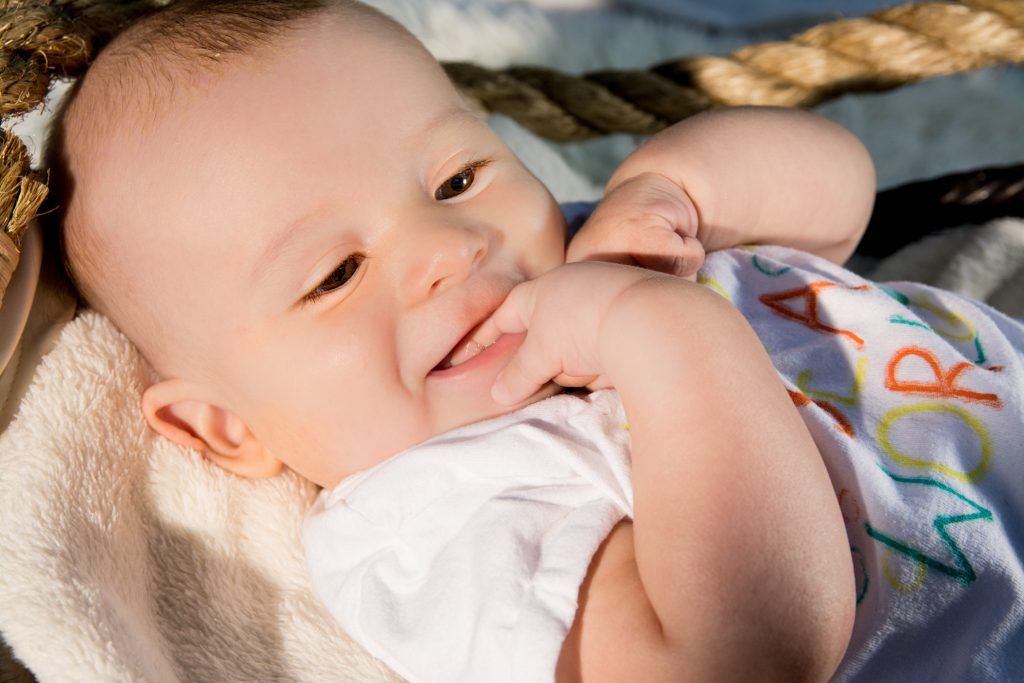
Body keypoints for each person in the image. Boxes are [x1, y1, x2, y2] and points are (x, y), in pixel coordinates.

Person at [41, 0, 1024, 681]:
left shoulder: (584, 250)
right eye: (335, 274)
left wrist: (674, 189)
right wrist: (661, 332)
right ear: (223, 427)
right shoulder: (434, 520)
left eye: (457, 178)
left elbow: (839, 194)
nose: (446, 248)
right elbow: (744, 657)